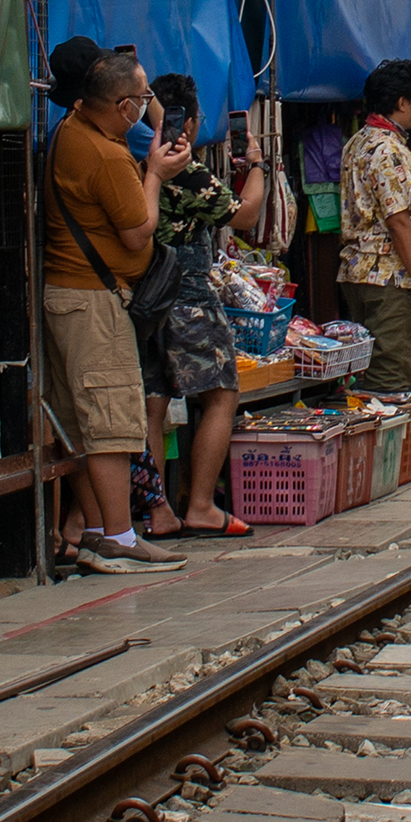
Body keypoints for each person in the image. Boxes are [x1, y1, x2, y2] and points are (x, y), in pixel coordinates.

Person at [40, 37, 187, 577]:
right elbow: (138, 231)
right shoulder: (104, 154)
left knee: (83, 420)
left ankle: (103, 530)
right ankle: (121, 536)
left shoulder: (71, 132)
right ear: (123, 106)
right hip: (92, 302)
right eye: (141, 97)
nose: (146, 106)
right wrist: (155, 174)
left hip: (71, 297)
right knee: (109, 420)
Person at [136, 72, 267, 541]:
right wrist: (256, 165)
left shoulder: (138, 160)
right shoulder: (183, 169)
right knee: (220, 392)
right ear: (189, 124)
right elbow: (246, 215)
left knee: (154, 401)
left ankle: (158, 512)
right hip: (187, 293)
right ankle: (201, 505)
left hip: (144, 297)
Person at [337, 59, 411, 393]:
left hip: (364, 273)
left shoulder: (359, 142)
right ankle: (384, 445)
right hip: (390, 277)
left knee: (374, 370)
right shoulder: (386, 149)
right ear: (401, 103)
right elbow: (399, 222)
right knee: (391, 374)